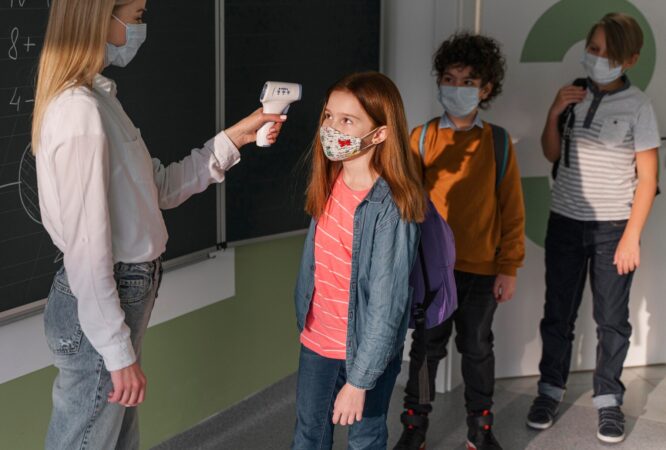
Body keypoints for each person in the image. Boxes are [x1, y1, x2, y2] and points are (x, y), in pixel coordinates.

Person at [34, 1, 285, 448]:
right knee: (88, 439)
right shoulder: (79, 114)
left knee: (114, 438)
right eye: (135, 14)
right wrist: (115, 351)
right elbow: (88, 251)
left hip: (117, 298)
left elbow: (160, 187)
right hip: (103, 302)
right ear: (98, 17)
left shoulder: (100, 100)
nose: (140, 27)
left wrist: (234, 138)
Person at [526, 13, 660, 444]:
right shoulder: (573, 94)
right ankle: (549, 390)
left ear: (631, 58)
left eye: (609, 53)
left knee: (612, 321)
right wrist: (553, 112)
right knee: (558, 314)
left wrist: (631, 237)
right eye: (594, 48)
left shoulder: (639, 105)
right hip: (565, 223)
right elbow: (551, 154)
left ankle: (608, 400)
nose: (598, 58)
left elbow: (649, 179)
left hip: (612, 229)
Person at [394, 33, 525, 450]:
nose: (457, 88)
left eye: (468, 82)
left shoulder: (498, 142)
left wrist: (509, 267)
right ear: (439, 83)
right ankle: (415, 428)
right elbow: (404, 204)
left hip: (482, 272)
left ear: (485, 89)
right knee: (426, 353)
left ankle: (479, 429)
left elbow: (512, 210)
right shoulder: (420, 138)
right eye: (449, 79)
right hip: (431, 272)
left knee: (477, 349)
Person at [291, 71, 425, 449]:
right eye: (329, 116)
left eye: (348, 120)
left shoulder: (390, 206)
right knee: (308, 436)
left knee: (365, 437)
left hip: (366, 351)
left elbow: (387, 305)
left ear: (380, 133)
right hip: (318, 340)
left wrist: (359, 381)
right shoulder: (330, 178)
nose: (332, 128)